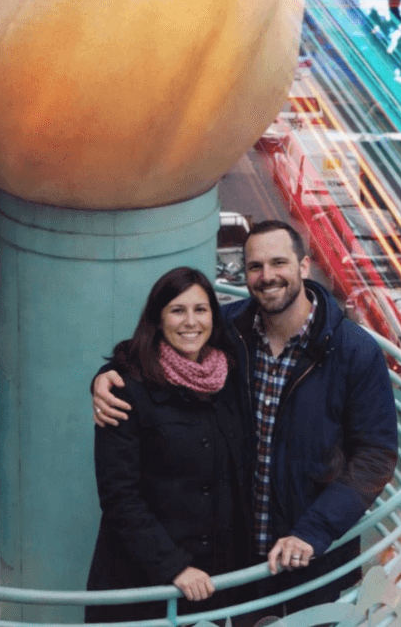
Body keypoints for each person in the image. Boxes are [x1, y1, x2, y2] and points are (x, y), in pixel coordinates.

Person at [92, 221, 399, 617]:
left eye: (278, 263)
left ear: (304, 266)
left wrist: (315, 530)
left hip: (307, 553)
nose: (267, 276)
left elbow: (375, 456)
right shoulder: (231, 330)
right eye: (255, 266)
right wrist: (106, 376)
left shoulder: (354, 351)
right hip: (237, 555)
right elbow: (162, 345)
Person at [85, 267, 253, 623]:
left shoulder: (228, 374)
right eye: (177, 310)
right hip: (146, 585)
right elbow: (119, 496)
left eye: (200, 309)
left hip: (215, 582)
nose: (190, 322)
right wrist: (174, 567)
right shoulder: (125, 389)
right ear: (158, 320)